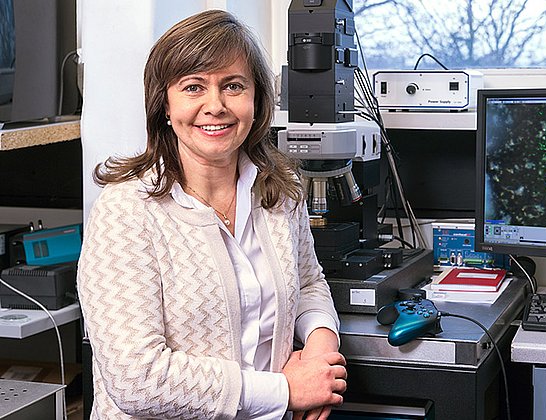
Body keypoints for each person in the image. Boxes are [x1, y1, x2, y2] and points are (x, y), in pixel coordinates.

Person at [77, 9, 346, 420]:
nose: (215, 106)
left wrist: (320, 351)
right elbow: (136, 378)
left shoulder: (281, 192)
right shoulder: (126, 213)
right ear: (164, 104)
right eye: (193, 87)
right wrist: (286, 391)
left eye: (233, 86)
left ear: (256, 100)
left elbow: (308, 280)